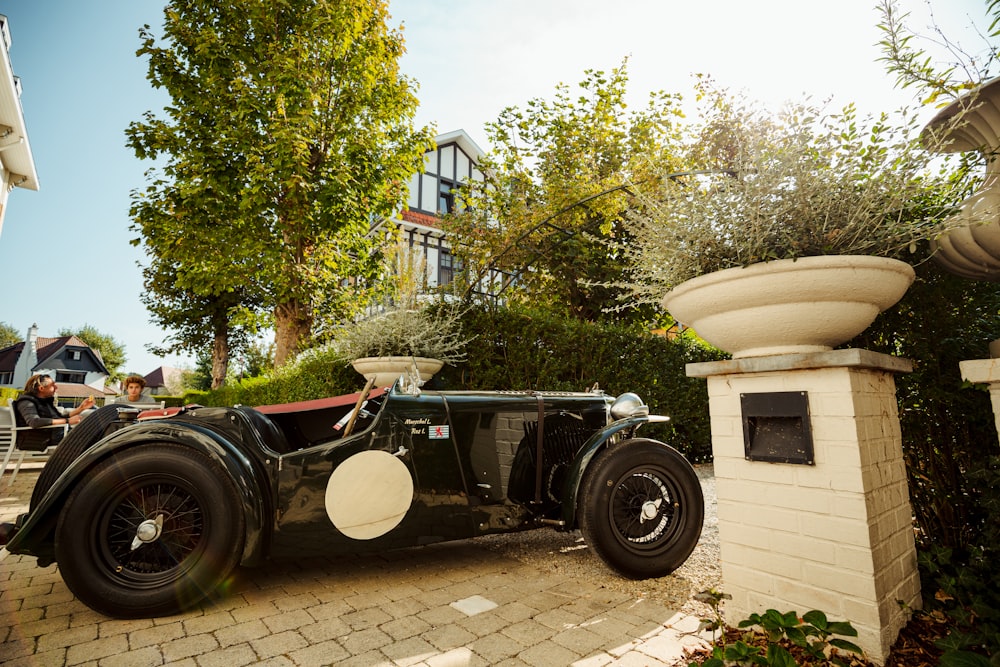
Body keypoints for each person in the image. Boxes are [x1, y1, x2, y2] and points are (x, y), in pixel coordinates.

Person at [13, 374, 95, 451]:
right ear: (41, 388)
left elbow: (58, 417)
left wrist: (81, 408)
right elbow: (34, 422)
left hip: (54, 434)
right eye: (52, 385)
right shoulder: (26, 402)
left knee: (93, 434)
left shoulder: (44, 401)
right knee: (90, 438)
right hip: (40, 438)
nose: (56, 387)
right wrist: (67, 421)